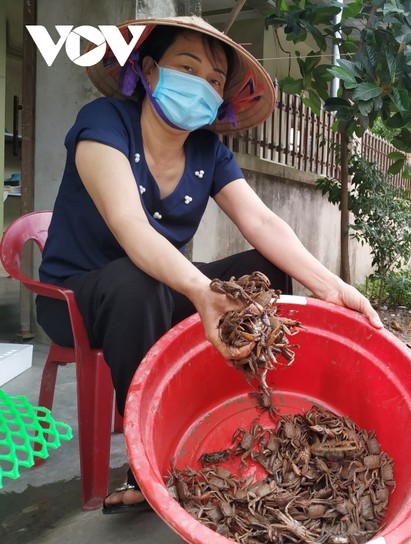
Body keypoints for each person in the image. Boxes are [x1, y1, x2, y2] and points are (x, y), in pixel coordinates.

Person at [35, 15, 383, 514]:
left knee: (265, 268)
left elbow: (262, 223)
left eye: (214, 80)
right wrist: (200, 291)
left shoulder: (208, 150)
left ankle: (233, 416)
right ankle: (149, 462)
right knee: (138, 283)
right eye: (187, 66)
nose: (201, 84)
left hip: (161, 285)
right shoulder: (104, 122)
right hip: (77, 297)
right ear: (150, 70)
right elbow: (130, 228)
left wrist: (331, 286)